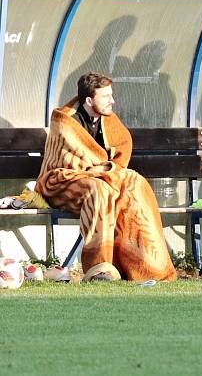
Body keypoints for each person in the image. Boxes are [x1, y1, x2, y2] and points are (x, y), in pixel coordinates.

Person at [35, 73, 177, 282]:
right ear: (89, 100)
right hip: (60, 181)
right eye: (106, 96)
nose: (112, 101)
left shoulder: (109, 120)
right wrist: (98, 170)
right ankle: (99, 269)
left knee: (133, 182)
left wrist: (103, 170)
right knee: (99, 190)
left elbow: (121, 150)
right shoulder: (64, 121)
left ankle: (145, 265)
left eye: (112, 95)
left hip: (100, 178)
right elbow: (65, 163)